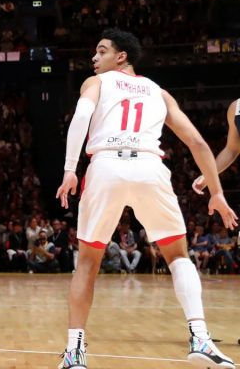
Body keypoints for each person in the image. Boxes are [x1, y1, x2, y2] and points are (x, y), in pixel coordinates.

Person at [56, 28, 237, 369]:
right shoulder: (159, 92)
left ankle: (75, 353)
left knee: (87, 262)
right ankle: (200, 338)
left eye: (101, 51)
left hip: (106, 164)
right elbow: (197, 143)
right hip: (150, 168)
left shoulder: (97, 83)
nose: (94, 58)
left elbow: (81, 117)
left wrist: (69, 169)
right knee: (178, 256)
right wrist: (217, 192)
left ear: (120, 56)